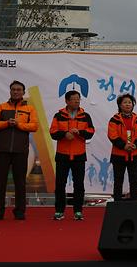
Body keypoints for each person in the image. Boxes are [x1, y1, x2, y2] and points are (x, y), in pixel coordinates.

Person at [0, 80, 39, 220]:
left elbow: (34, 126)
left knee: (20, 183)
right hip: (2, 150)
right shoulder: (1, 107)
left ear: (23, 92)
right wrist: (6, 123)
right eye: (13, 89)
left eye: (18, 89)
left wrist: (19, 124)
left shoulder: (30, 109)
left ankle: (20, 212)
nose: (16, 91)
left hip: (20, 151)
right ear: (10, 91)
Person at [49, 89, 95, 221]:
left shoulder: (85, 116)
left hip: (79, 154)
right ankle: (59, 211)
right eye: (74, 99)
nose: (76, 101)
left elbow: (91, 131)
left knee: (79, 184)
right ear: (67, 101)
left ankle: (78, 211)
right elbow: (53, 132)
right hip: (62, 154)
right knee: (60, 184)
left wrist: (79, 132)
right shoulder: (59, 115)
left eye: (78, 98)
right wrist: (64, 134)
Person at [108, 94, 137, 202]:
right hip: (119, 155)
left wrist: (135, 145)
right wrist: (124, 145)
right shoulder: (114, 119)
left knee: (134, 181)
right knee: (118, 180)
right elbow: (112, 135)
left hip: (135, 154)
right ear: (120, 105)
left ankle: (134, 203)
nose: (128, 104)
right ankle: (117, 204)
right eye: (125, 102)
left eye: (130, 102)